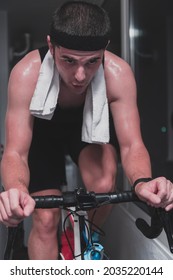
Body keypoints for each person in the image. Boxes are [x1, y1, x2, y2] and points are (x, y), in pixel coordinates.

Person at [0, 1, 173, 260]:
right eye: (68, 60)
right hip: (41, 137)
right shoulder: (27, 73)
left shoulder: (118, 73)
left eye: (92, 62)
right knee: (46, 220)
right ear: (51, 46)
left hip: (86, 131)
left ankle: (77, 234)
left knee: (103, 183)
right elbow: (15, 152)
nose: (80, 75)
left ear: (104, 50)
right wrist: (14, 190)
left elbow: (132, 145)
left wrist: (143, 183)